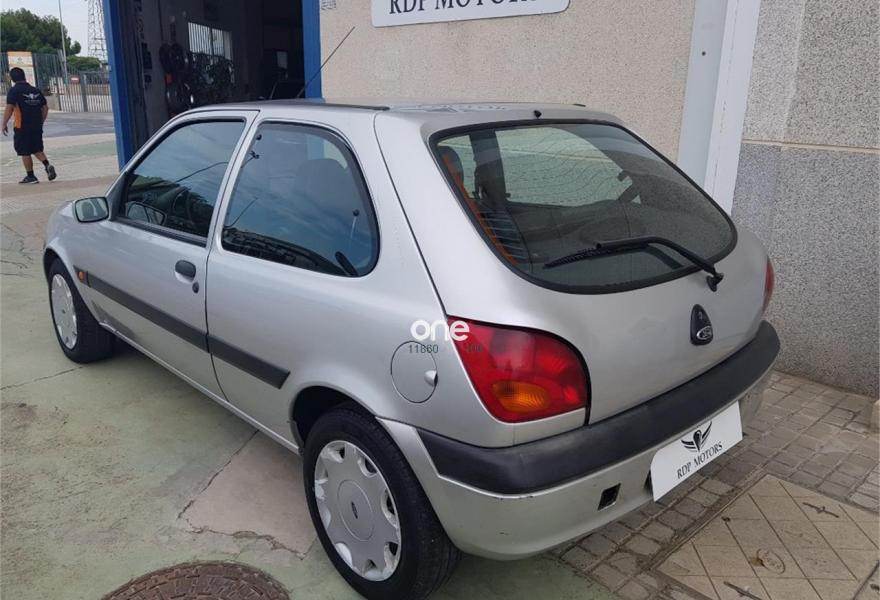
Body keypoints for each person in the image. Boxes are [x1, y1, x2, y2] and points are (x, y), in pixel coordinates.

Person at [2, 67, 57, 184]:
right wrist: (41, 121)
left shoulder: (14, 91)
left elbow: (9, 108)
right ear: (24, 76)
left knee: (25, 151)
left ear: (12, 78)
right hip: (36, 126)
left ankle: (31, 176)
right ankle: (47, 165)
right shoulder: (35, 90)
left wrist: (4, 123)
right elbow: (45, 107)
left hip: (22, 126)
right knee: (36, 148)